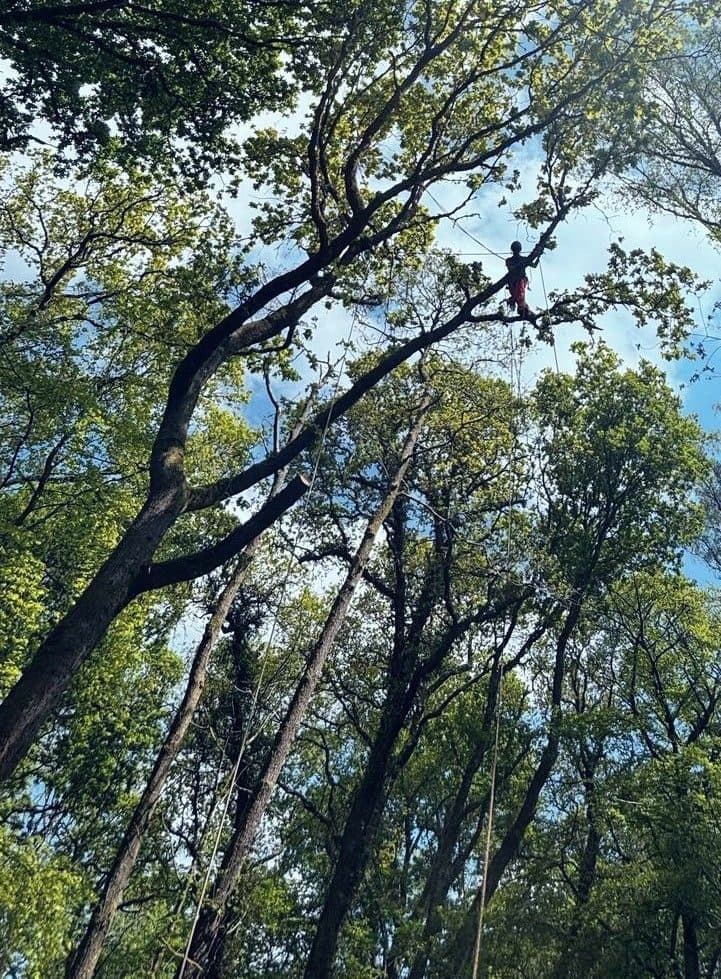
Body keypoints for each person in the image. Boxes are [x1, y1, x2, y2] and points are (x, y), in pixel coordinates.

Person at [505, 241, 536, 323]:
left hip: (518, 281)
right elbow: (511, 269)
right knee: (519, 295)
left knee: (519, 295)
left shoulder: (520, 259)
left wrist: (538, 254)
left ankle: (522, 308)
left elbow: (534, 265)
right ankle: (522, 307)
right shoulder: (511, 260)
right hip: (514, 281)